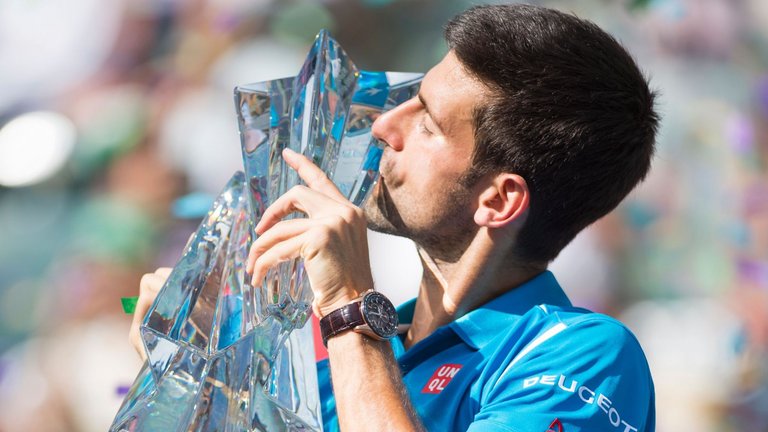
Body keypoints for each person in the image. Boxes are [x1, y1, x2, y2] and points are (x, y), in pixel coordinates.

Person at [131, 4, 659, 431]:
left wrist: (348, 304)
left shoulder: (585, 358)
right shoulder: (339, 367)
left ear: (498, 201)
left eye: (428, 123)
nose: (385, 124)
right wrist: (196, 385)